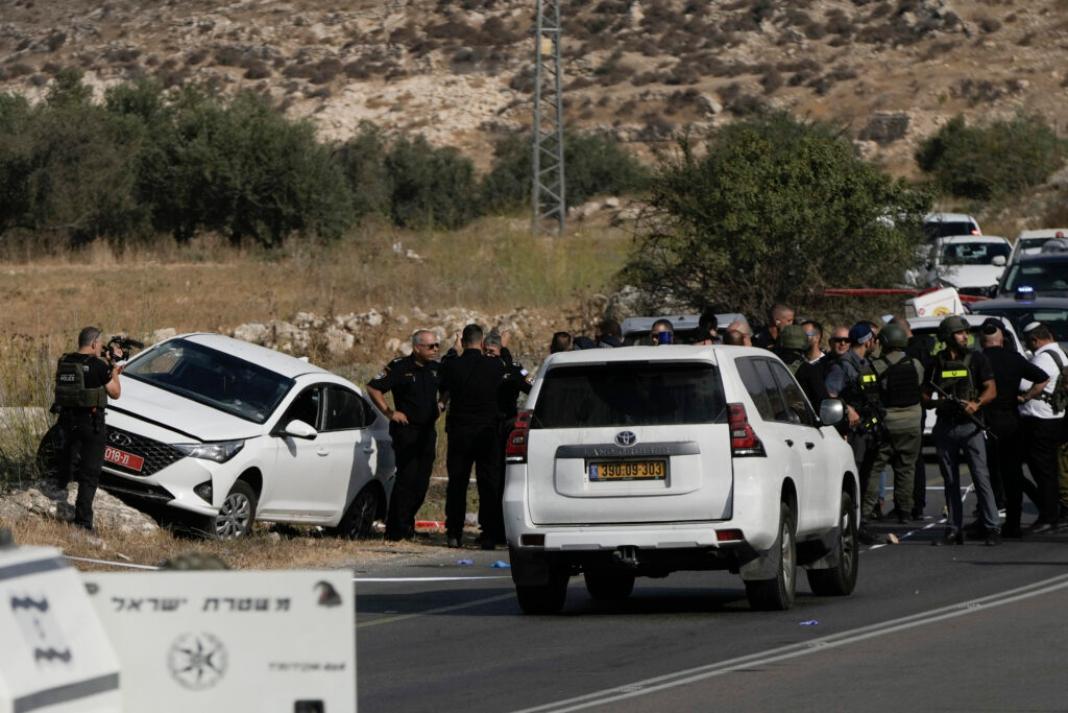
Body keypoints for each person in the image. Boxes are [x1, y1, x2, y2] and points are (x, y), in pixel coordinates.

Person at [924, 315, 999, 546]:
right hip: (945, 426)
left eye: (966, 332)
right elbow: (925, 395)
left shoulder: (977, 359)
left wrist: (976, 404)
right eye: (959, 332)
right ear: (948, 337)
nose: (965, 336)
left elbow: (991, 390)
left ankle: (992, 527)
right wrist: (938, 403)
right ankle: (953, 528)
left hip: (971, 426)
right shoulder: (936, 362)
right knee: (950, 480)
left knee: (980, 477)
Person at [367, 330, 443, 541]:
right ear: (417, 347)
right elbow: (373, 387)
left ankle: (407, 524)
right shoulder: (400, 366)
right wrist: (390, 413)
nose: (435, 350)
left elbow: (448, 388)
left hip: (427, 432)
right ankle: (395, 530)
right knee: (406, 480)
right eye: (431, 346)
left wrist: (442, 403)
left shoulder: (436, 368)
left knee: (421, 483)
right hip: (406, 431)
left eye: (437, 346)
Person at [439, 324, 507, 549]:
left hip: (460, 432)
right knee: (488, 484)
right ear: (482, 343)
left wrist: (452, 350)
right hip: (487, 433)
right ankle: (488, 534)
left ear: (463, 341)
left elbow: (444, 372)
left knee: (457, 484)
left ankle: (454, 533)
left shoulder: (452, 365)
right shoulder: (494, 365)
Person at [980, 320, 1048, 538]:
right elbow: (1042, 378)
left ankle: (987, 521)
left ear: (982, 340)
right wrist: (1025, 398)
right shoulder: (1014, 359)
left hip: (984, 421)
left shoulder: (978, 359)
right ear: (1003, 339)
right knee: (1013, 475)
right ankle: (1013, 523)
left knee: (987, 475)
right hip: (1011, 421)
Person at [53, 326, 123, 531]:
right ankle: (83, 522)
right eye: (99, 343)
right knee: (90, 473)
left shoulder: (64, 362)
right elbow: (115, 393)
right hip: (90, 424)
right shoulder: (99, 366)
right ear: (93, 343)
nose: (100, 347)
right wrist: (115, 369)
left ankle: (57, 488)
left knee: (66, 462)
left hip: (66, 421)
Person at [824, 322, 884, 544]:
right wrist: (847, 408)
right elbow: (830, 394)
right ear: (867, 340)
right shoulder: (843, 366)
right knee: (855, 477)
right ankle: (852, 526)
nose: (875, 343)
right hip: (855, 432)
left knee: (866, 478)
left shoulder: (865, 363)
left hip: (870, 429)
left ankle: (861, 523)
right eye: (873, 339)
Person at [869, 324, 924, 524]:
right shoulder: (915, 364)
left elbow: (870, 392)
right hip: (912, 423)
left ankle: (867, 511)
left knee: (875, 467)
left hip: (887, 423)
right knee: (906, 469)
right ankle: (905, 511)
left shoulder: (876, 365)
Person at [1017, 322, 1067, 534]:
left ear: (1035, 340)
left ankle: (1048, 516)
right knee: (1053, 469)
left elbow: (1025, 385)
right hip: (1057, 418)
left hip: (1040, 422)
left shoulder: (1043, 358)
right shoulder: (1061, 354)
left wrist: (1025, 396)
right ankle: (1058, 511)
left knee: (1043, 471)